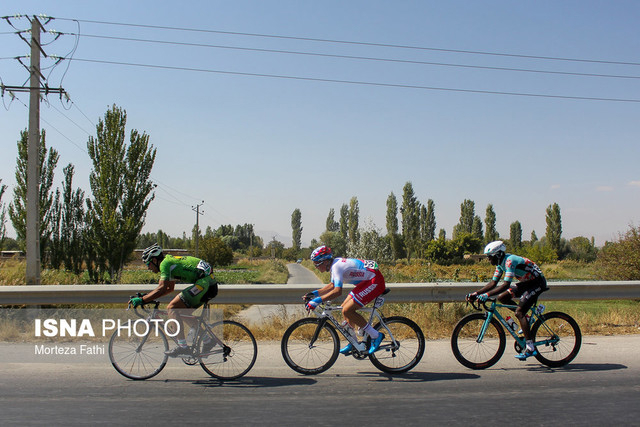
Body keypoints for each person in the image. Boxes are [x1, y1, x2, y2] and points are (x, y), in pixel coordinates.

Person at [129, 244, 218, 357]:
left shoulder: (165, 264)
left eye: (148, 264)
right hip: (208, 284)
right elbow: (169, 288)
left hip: (205, 284)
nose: (148, 267)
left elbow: (161, 288)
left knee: (172, 308)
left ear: (155, 260)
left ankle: (183, 347)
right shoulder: (168, 263)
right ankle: (208, 340)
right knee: (182, 313)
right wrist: (148, 297)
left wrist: (143, 299)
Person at [467, 240, 548, 360]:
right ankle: (525, 319)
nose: (489, 260)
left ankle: (530, 347)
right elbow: (493, 283)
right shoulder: (500, 264)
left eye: (490, 257)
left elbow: (505, 285)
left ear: (498, 254)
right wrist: (477, 293)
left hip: (537, 283)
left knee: (519, 312)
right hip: (527, 283)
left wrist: (486, 295)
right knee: (502, 298)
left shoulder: (510, 261)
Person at [306, 245, 386, 355]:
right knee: (344, 307)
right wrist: (314, 294)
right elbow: (332, 285)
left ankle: (376, 335)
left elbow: (337, 291)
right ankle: (353, 342)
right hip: (367, 281)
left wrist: (316, 301)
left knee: (347, 310)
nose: (315, 266)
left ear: (324, 261)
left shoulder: (336, 267)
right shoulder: (335, 264)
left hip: (374, 281)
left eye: (316, 263)